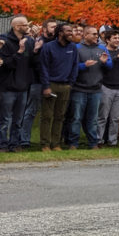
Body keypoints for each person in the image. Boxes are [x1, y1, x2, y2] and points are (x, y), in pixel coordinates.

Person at [0, 15, 36, 152]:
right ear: (17, 27)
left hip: (23, 85)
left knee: (18, 119)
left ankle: (14, 143)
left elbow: (32, 62)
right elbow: (5, 63)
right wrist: (19, 52)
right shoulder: (5, 40)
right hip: (8, 85)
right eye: (25, 25)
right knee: (5, 118)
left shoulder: (29, 41)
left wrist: (35, 50)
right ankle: (2, 144)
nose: (28, 27)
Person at [39, 23, 78, 151]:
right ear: (60, 33)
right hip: (51, 84)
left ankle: (56, 143)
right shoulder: (48, 47)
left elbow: (75, 65)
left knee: (60, 116)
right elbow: (43, 67)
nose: (71, 33)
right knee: (47, 115)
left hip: (65, 86)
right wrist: (46, 86)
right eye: (68, 31)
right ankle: (45, 144)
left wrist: (70, 84)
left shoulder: (73, 47)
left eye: (71, 31)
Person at [70, 25, 111, 149]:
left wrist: (105, 63)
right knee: (76, 118)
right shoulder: (76, 48)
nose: (96, 36)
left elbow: (110, 66)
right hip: (79, 89)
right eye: (93, 34)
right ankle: (73, 143)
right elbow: (71, 67)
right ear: (85, 35)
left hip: (96, 89)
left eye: (97, 34)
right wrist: (83, 65)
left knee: (93, 119)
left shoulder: (102, 48)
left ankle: (93, 143)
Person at [17, 19, 52, 150]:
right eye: (51, 27)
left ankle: (50, 140)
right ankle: (24, 139)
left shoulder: (55, 43)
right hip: (36, 81)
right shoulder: (34, 41)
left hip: (50, 80)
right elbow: (29, 60)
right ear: (45, 28)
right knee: (31, 111)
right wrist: (36, 50)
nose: (54, 29)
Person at [97, 29, 119, 147]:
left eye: (118, 38)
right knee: (102, 116)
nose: (117, 40)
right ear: (107, 40)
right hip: (106, 87)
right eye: (114, 38)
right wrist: (117, 57)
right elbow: (106, 68)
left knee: (115, 118)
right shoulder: (103, 51)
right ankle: (99, 140)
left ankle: (112, 141)